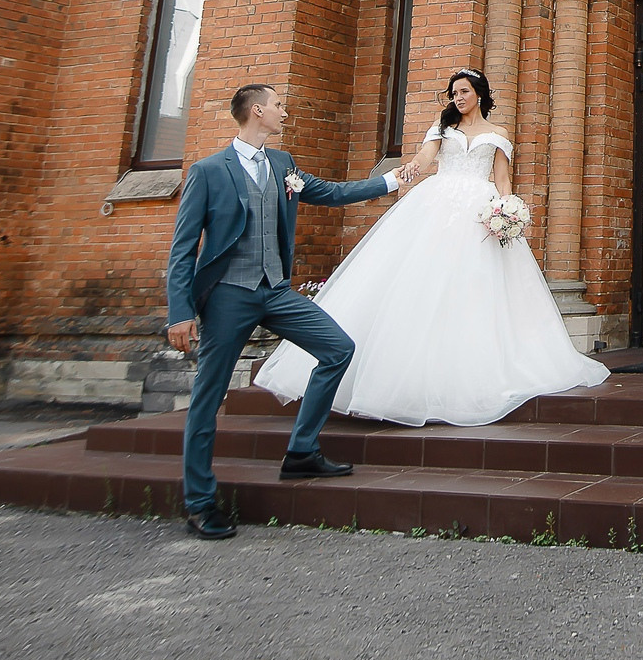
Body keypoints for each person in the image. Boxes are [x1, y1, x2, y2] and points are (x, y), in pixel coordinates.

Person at [256, 68, 607, 427]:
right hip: (437, 202)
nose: (457, 98)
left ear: (480, 95)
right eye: (453, 92)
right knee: (422, 278)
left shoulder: (499, 134)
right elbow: (425, 159)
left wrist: (509, 211)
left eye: (464, 91)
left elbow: (502, 178)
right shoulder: (442, 129)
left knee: (476, 285)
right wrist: (409, 168)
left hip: (481, 212)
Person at [164, 83, 404, 540]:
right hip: (228, 296)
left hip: (275, 290)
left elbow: (330, 193)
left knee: (337, 348)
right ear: (257, 111)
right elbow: (182, 250)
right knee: (208, 397)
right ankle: (198, 501)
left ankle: (301, 452)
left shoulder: (283, 165)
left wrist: (395, 179)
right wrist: (180, 312)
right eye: (278, 105)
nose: (284, 113)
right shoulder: (209, 171)